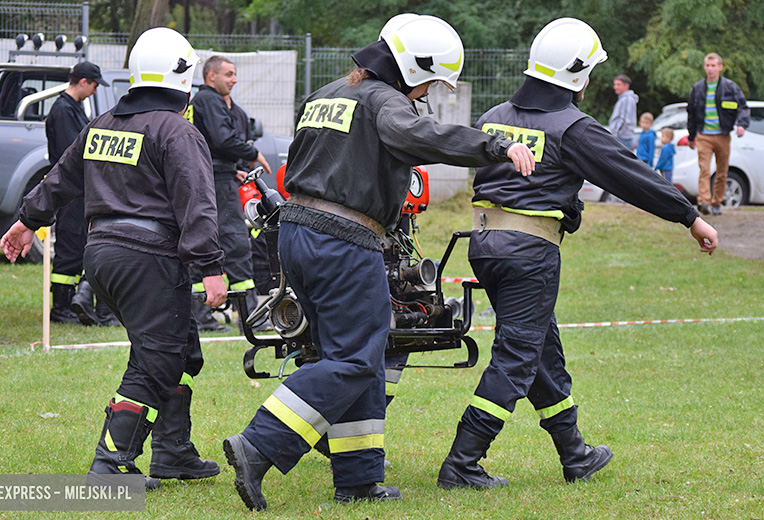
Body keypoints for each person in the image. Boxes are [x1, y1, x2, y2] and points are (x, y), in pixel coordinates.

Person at [221, 14, 535, 511]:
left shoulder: (325, 95)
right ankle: (258, 445)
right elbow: (424, 137)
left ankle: (359, 478)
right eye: (430, 83)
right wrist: (496, 145)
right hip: (344, 241)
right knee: (355, 358)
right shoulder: (386, 102)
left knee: (357, 352)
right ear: (413, 69)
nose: (427, 93)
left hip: (296, 235)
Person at [436, 17, 718, 491]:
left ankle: (575, 454)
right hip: (529, 253)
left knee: (540, 348)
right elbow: (629, 174)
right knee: (517, 355)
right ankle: (462, 463)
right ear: (577, 75)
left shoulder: (495, 115)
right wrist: (689, 216)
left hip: (485, 246)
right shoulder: (573, 128)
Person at [0, 27, 227, 488]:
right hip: (149, 259)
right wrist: (211, 267)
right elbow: (197, 203)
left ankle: (173, 452)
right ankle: (111, 464)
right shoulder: (177, 131)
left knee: (179, 347)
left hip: (102, 257)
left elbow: (60, 178)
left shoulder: (102, 124)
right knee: (156, 359)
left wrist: (25, 221)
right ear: (182, 76)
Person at [187, 55, 271, 332]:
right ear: (211, 76)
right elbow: (223, 139)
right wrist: (253, 153)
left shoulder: (205, 102)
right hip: (215, 182)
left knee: (203, 241)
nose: (235, 79)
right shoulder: (209, 100)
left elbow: (217, 143)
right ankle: (249, 317)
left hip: (210, 177)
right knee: (236, 242)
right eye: (229, 74)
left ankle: (202, 316)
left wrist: (236, 168)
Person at [44, 61, 111, 325]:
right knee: (70, 246)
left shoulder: (73, 108)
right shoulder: (63, 111)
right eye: (94, 85)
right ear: (83, 82)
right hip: (70, 189)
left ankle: (73, 303)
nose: (95, 91)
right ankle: (61, 308)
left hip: (81, 189)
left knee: (79, 245)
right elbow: (71, 153)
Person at [687, 52, 750, 216]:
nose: (710, 69)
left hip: (723, 135)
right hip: (703, 135)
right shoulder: (697, 88)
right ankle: (704, 201)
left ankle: (717, 202)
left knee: (722, 172)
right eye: (708, 65)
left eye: (713, 65)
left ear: (720, 67)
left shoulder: (730, 87)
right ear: (704, 67)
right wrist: (691, 136)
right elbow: (691, 113)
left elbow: (743, 107)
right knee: (704, 169)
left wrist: (742, 125)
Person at [608, 74, 638, 149]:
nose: (615, 87)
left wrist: (615, 134)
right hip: (621, 138)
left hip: (622, 139)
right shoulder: (622, 99)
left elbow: (624, 120)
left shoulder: (627, 99)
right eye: (615, 84)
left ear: (626, 86)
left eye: (618, 85)